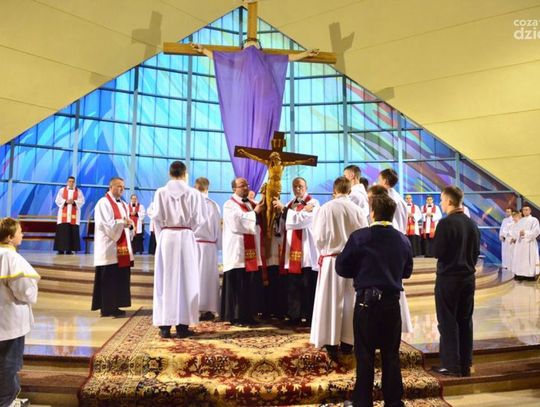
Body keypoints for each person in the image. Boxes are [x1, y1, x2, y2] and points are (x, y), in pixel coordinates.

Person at [336, 194, 413, 407]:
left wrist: (361, 272)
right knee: (391, 355)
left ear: (372, 213)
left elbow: (341, 267)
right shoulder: (402, 239)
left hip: (366, 303)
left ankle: (362, 402)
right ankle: (394, 402)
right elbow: (407, 271)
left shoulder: (360, 237)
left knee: (365, 354)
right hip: (391, 303)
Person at [310, 177, 367, 358]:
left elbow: (318, 237)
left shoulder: (326, 208)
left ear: (334, 191)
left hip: (331, 261)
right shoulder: (358, 210)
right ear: (350, 191)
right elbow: (364, 237)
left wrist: (324, 250)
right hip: (353, 262)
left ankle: (331, 343)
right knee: (350, 301)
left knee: (330, 302)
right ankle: (348, 342)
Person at [152, 162, 208, 338]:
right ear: (185, 174)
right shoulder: (194, 193)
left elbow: (156, 219)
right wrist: (189, 231)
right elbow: (201, 220)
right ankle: (183, 326)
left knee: (165, 280)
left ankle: (165, 326)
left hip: (167, 237)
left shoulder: (160, 192)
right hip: (185, 237)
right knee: (186, 280)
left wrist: (162, 237)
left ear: (170, 173)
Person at [432, 186, 480, 377]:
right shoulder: (471, 223)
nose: (440, 203)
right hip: (468, 278)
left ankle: (451, 365)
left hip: (449, 278)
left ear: (450, 201)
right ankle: (465, 363)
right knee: (465, 320)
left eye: (442, 200)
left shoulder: (445, 223)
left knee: (447, 321)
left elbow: (437, 252)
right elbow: (476, 252)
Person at [0, 218, 40, 407]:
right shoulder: (11, 258)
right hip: (10, 320)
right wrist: (33, 291)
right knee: (9, 363)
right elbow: (24, 291)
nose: (22, 234)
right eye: (19, 232)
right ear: (10, 237)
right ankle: (6, 402)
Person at [273, 177, 319, 325]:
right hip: (291, 250)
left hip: (306, 252)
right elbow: (284, 225)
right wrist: (279, 216)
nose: (297, 189)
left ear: (306, 187)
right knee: (293, 286)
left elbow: (301, 221)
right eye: (295, 186)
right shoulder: (289, 204)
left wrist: (285, 211)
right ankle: (294, 316)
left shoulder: (313, 203)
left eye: (300, 186)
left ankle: (309, 316)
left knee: (307, 285)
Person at [221, 177, 265, 326]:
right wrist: (255, 213)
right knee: (238, 284)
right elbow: (236, 223)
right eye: (242, 185)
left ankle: (249, 314)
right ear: (234, 189)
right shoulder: (229, 205)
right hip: (237, 251)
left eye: (247, 185)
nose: (246, 187)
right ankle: (236, 316)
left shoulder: (251, 204)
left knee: (249, 284)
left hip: (251, 250)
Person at [91, 177, 134, 318]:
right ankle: (106, 308)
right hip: (108, 247)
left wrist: (130, 225)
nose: (122, 189)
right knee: (108, 278)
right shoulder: (103, 203)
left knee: (118, 278)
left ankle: (115, 305)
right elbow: (105, 224)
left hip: (121, 248)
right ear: (111, 187)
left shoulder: (124, 204)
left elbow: (127, 223)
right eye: (119, 186)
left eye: (123, 187)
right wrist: (123, 223)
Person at [194, 177, 221, 321]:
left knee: (195, 277)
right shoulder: (214, 205)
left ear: (195, 187)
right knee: (209, 278)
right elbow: (218, 228)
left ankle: (194, 308)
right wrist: (219, 245)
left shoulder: (190, 203)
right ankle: (209, 308)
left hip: (193, 244)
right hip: (209, 246)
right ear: (208, 188)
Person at [53, 176, 85, 254]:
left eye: (73, 181)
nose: (71, 183)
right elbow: (57, 200)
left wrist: (74, 202)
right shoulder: (62, 190)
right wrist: (65, 201)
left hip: (74, 217)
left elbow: (82, 201)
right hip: (63, 216)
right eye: (70, 181)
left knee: (71, 232)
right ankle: (60, 250)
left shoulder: (79, 191)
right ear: (67, 182)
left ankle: (69, 250)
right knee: (62, 232)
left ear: (74, 183)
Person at [510, 203, 540, 281]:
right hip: (520, 243)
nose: (525, 211)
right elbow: (515, 231)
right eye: (523, 210)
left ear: (530, 211)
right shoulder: (521, 220)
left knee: (529, 259)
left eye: (526, 210)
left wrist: (525, 233)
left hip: (529, 243)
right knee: (520, 259)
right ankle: (520, 274)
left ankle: (530, 275)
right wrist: (519, 233)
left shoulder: (534, 220)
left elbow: (536, 231)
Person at [377, 169, 407, 233]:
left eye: (379, 180)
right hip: (398, 233)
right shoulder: (399, 199)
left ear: (385, 181)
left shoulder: (387, 200)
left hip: (389, 233)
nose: (377, 183)